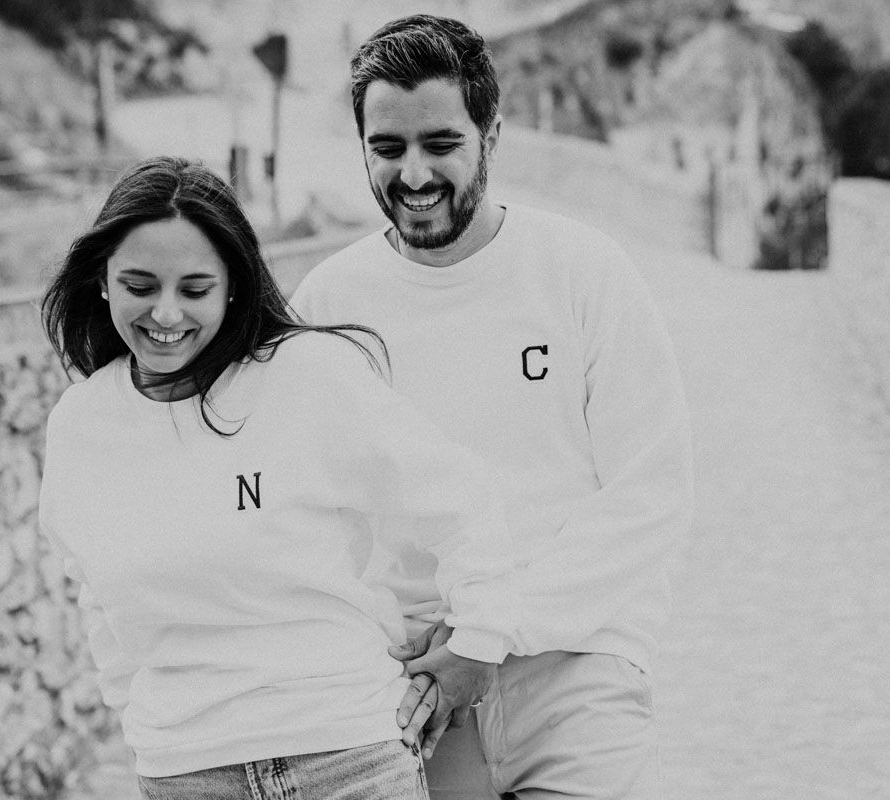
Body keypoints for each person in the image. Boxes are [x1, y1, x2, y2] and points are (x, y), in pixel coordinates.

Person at [290, 14, 694, 800]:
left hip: (576, 668)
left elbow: (653, 495)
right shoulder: (327, 306)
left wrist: (496, 631)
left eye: (440, 144)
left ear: (491, 134)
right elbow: (304, 514)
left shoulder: (583, 273)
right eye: (388, 148)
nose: (413, 175)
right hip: (411, 688)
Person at [37, 156, 522, 799]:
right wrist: (150, 729)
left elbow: (461, 500)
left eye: (194, 288)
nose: (166, 313)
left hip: (348, 755)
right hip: (187, 772)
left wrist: (479, 641)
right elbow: (98, 600)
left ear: (233, 285)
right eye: (140, 285)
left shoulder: (305, 376)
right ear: (102, 281)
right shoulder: (83, 425)